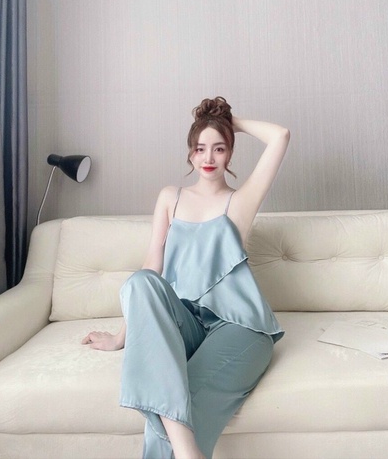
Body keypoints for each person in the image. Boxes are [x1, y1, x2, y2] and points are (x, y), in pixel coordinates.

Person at [82, 97, 290, 459]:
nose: (209, 157)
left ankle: (184, 449)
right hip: (186, 324)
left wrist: (229, 121)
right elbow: (153, 266)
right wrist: (121, 337)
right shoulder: (170, 198)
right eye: (200, 148)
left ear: (230, 153)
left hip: (239, 327)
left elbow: (280, 136)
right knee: (140, 282)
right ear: (190, 154)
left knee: (180, 403)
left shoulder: (240, 202)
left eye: (219, 148)